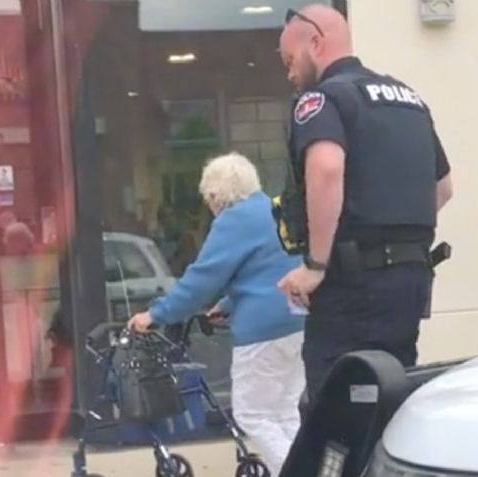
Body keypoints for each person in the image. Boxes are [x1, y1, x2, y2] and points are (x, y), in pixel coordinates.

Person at [275, 4, 454, 404]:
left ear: (316, 43)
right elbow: (442, 187)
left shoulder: (324, 99)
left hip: (351, 287)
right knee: (390, 399)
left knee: (335, 414)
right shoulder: (408, 99)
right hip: (410, 283)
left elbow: (325, 169)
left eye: (289, 61)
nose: (289, 74)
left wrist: (315, 266)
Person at [127, 152, 306, 475]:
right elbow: (269, 269)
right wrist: (228, 305)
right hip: (297, 322)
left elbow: (202, 279)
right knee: (284, 412)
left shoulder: (233, 219)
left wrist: (155, 315)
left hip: (262, 333)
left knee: (253, 414)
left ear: (214, 195)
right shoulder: (273, 209)